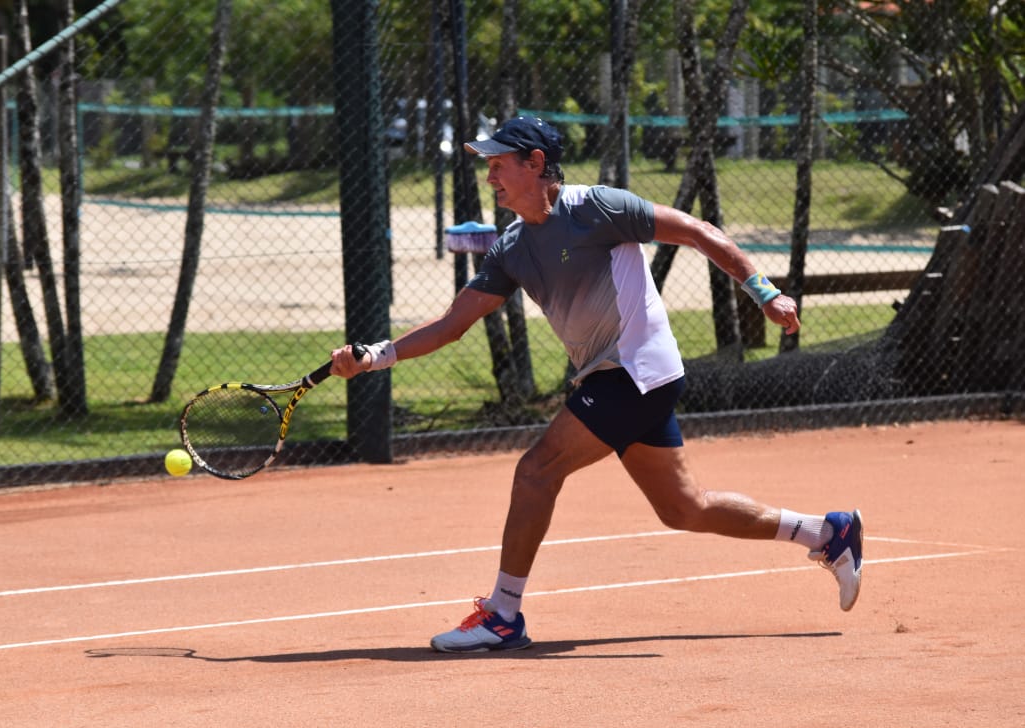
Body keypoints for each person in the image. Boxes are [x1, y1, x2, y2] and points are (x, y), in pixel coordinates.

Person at [329, 116, 863, 654]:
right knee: (683, 508)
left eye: (498, 165)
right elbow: (452, 324)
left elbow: (698, 232)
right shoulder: (512, 247)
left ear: (535, 164)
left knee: (537, 470)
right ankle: (827, 532)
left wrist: (764, 292)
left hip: (634, 370)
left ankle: (504, 614)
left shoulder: (598, 207)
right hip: (617, 376)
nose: (490, 177)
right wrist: (375, 356)